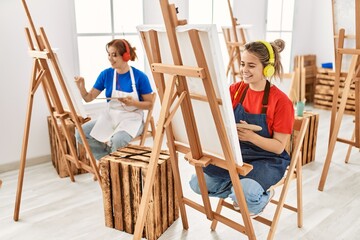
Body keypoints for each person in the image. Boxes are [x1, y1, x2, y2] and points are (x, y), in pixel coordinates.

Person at [189, 39, 294, 217]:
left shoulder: (281, 102)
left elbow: (278, 147)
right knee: (197, 183)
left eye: (251, 65)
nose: (244, 70)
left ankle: (256, 195)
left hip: (266, 159)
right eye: (243, 64)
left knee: (246, 195)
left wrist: (252, 137)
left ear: (267, 68)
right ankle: (240, 190)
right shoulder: (235, 90)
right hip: (238, 155)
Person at [74, 39, 153, 160]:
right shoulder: (106, 74)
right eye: (109, 55)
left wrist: (133, 103)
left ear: (125, 56)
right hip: (111, 117)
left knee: (117, 140)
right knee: (81, 134)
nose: (110, 59)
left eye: (114, 55)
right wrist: (82, 88)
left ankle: (112, 165)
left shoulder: (140, 77)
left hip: (132, 120)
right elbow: (88, 98)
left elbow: (150, 104)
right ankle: (107, 159)